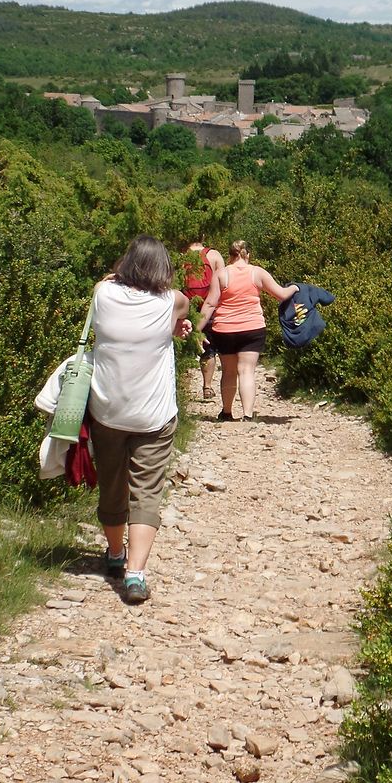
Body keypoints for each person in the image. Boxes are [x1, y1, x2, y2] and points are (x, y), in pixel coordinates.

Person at [88, 235, 192, 604]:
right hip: (153, 415)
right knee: (146, 490)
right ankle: (135, 574)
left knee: (112, 484)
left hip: (108, 412)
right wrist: (174, 328)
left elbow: (109, 285)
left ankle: (115, 555)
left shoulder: (103, 294)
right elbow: (181, 308)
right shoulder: (171, 301)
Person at [196, 241, 297, 422]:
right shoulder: (257, 272)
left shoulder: (221, 274)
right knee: (247, 371)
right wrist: (295, 288)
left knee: (228, 372)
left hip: (225, 329)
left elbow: (210, 304)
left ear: (230, 255)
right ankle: (248, 415)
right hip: (252, 328)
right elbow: (281, 294)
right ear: (247, 254)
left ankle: (226, 412)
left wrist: (197, 330)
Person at [181, 239, 225, 401]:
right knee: (210, 347)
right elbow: (224, 282)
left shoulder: (181, 256)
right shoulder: (213, 255)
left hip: (187, 306)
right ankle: (207, 386)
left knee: (197, 344)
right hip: (210, 307)